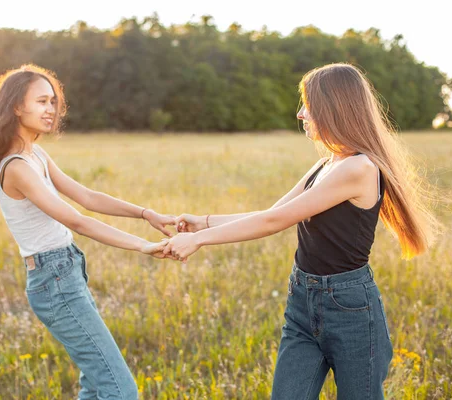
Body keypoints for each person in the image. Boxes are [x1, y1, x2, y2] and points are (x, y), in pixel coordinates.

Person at [165, 63, 438, 399]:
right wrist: (203, 221)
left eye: (308, 105)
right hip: (302, 301)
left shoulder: (358, 167)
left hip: (350, 307)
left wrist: (198, 239)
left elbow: (273, 223)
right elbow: (273, 212)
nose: (300, 114)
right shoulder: (327, 164)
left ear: (334, 107)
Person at [0, 64, 176, 399]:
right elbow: (77, 220)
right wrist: (143, 246)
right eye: (41, 101)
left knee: (96, 382)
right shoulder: (16, 167)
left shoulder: (35, 153)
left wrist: (146, 213)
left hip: (66, 272)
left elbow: (87, 197)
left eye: (53, 102)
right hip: (53, 281)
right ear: (16, 106)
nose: (51, 110)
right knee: (121, 390)